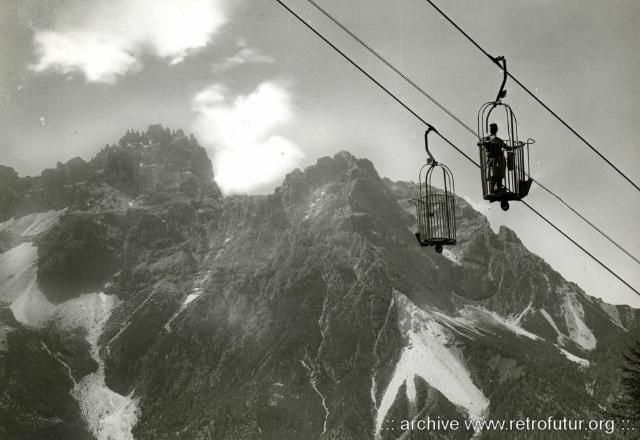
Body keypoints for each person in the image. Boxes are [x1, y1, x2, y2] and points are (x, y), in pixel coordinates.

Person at [479, 123, 507, 193]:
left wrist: (517, 146)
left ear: (496, 129)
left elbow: (507, 147)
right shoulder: (487, 138)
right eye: (492, 128)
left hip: (500, 159)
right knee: (494, 175)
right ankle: (492, 189)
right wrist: (488, 142)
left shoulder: (499, 140)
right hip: (492, 159)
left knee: (500, 175)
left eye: (495, 128)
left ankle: (499, 188)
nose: (493, 130)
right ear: (490, 129)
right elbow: (479, 143)